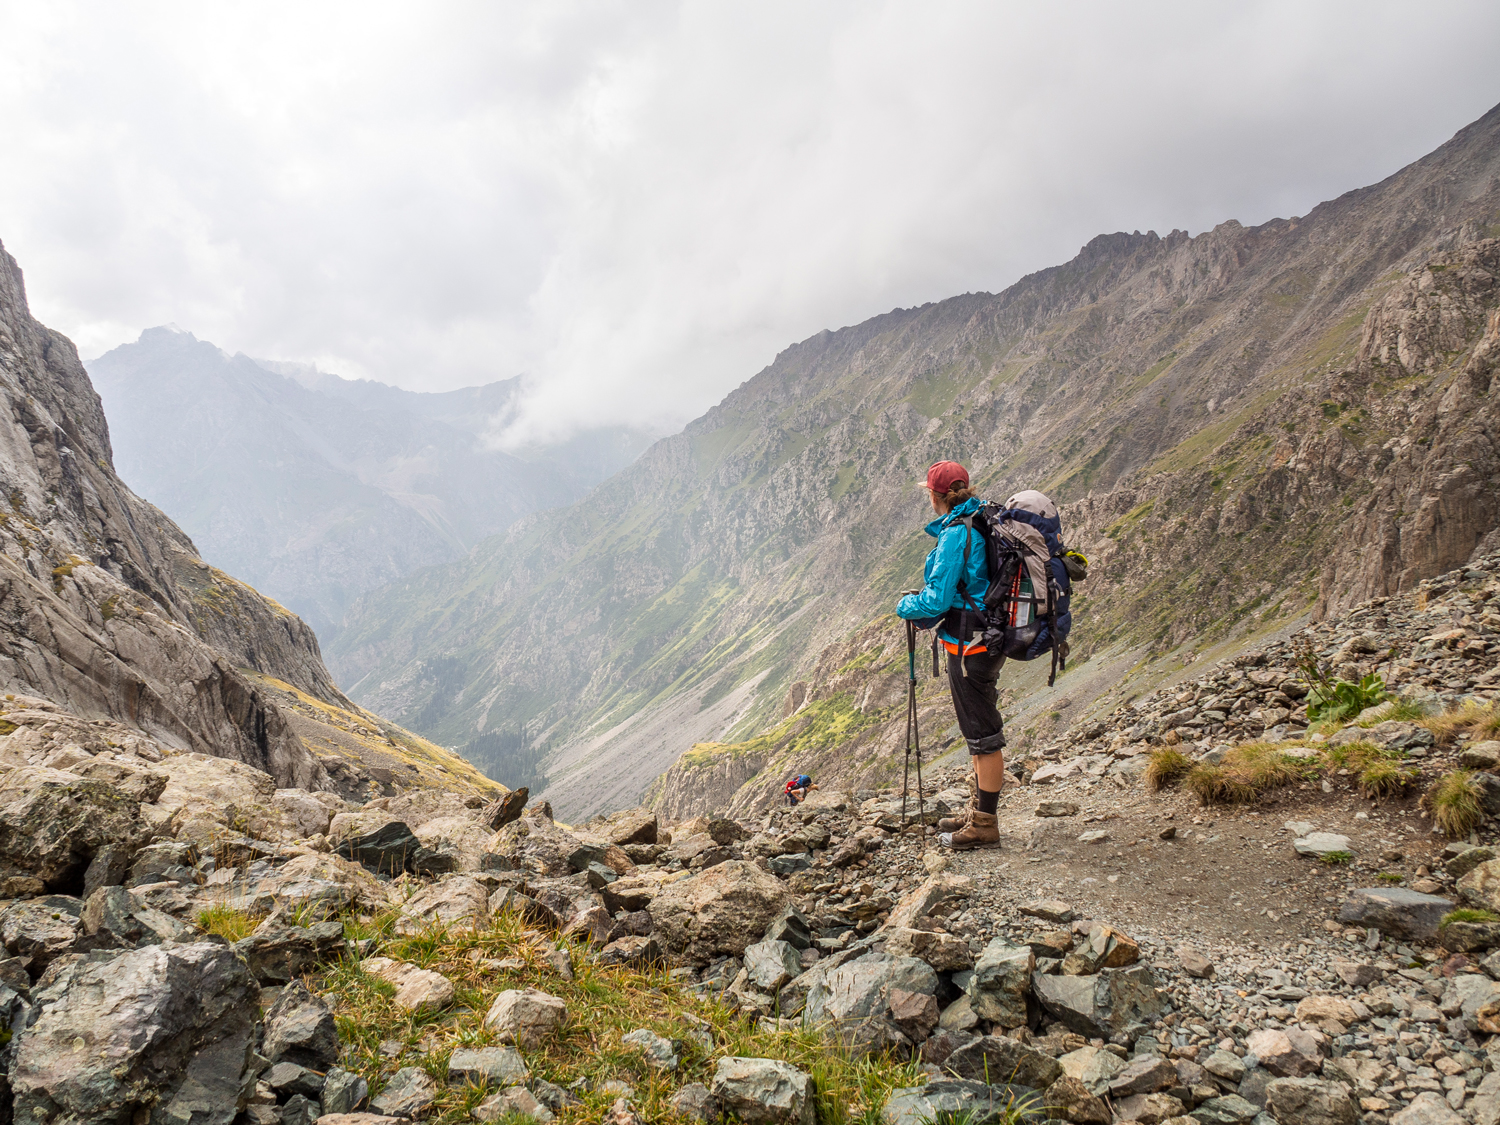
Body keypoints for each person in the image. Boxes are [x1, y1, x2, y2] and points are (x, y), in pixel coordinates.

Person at [896, 460, 1006, 850]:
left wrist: (905, 606)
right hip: (987, 637)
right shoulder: (980, 517)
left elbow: (938, 598)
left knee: (982, 736)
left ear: (934, 495)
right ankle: (979, 811)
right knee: (979, 731)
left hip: (968, 645)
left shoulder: (956, 533)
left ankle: (984, 825)